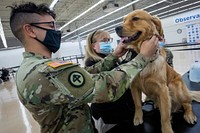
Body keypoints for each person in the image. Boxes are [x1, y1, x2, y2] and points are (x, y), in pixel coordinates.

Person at [9, 2, 159, 133]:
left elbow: (84, 74)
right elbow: (104, 89)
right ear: (30, 30)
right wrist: (142, 58)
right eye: (51, 26)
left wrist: (113, 56)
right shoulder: (44, 71)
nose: (57, 31)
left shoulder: (31, 67)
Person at [84, 30, 174, 132]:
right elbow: (113, 78)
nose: (108, 43)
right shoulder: (91, 62)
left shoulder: (112, 58)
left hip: (127, 111)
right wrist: (141, 57)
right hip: (110, 117)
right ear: (93, 46)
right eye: (104, 40)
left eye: (109, 40)